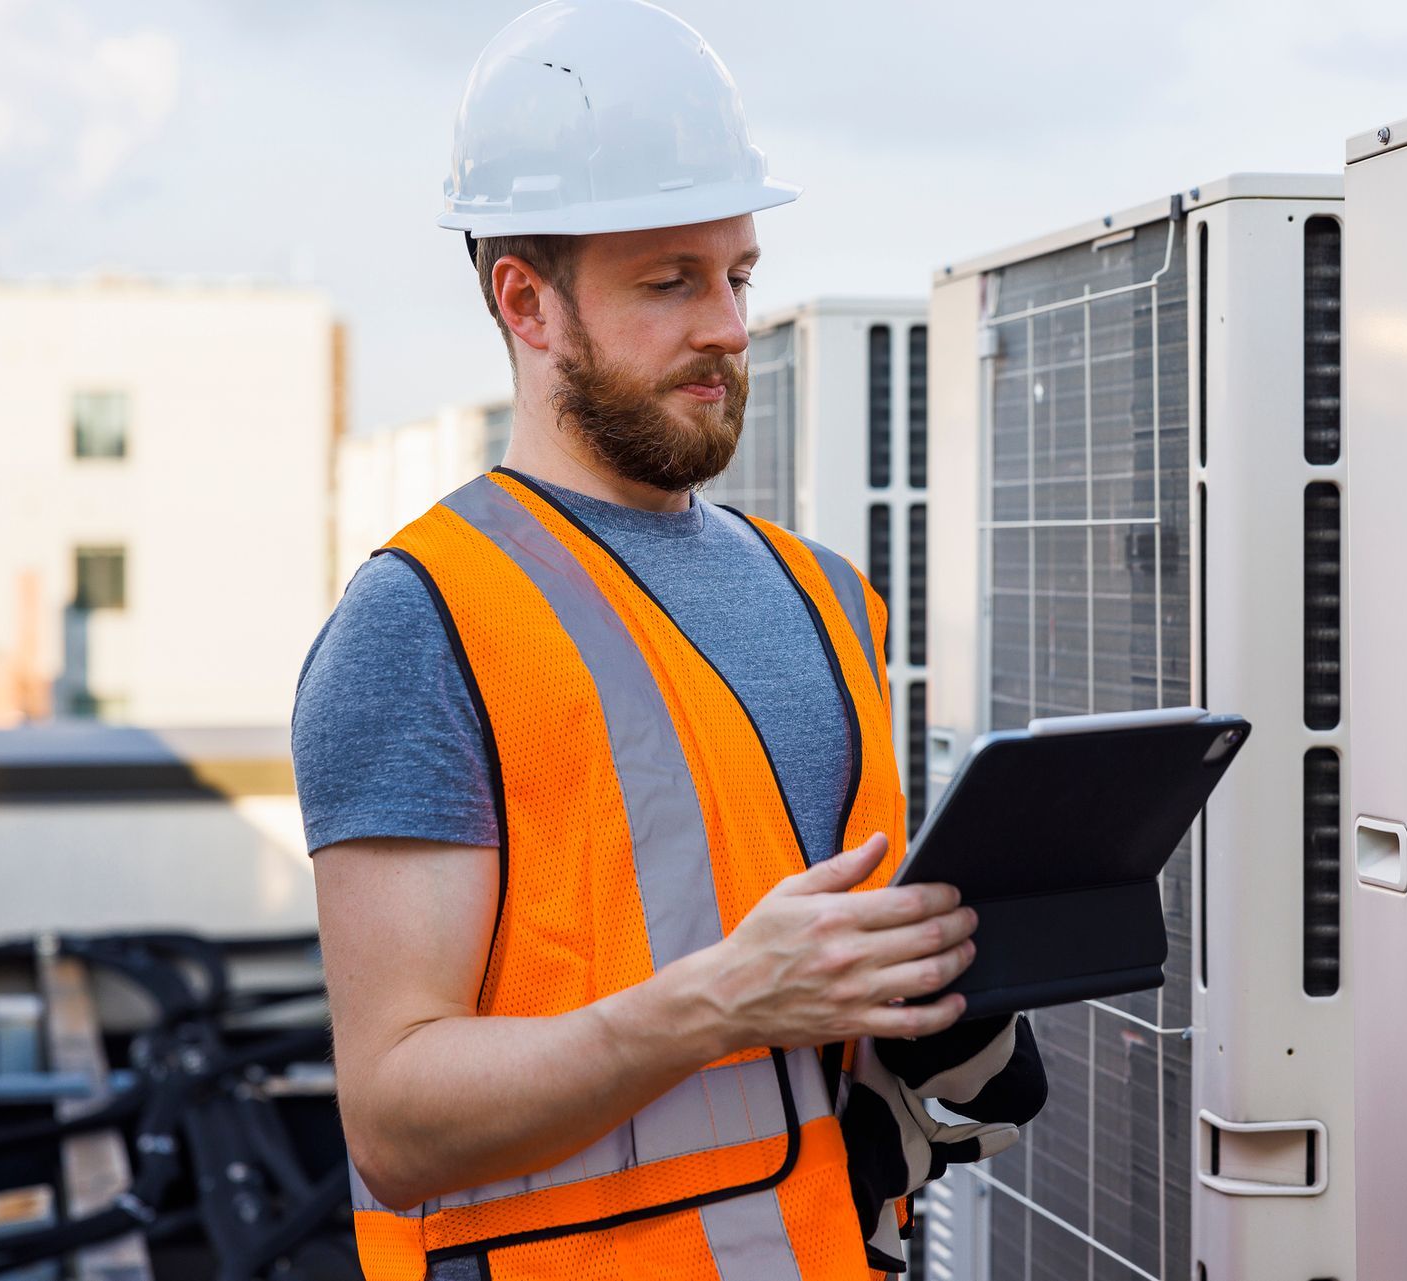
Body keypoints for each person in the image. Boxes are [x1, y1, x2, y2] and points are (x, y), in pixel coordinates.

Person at [291, 4, 1044, 1278]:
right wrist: (719, 1002)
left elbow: (827, 1026)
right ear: (526, 302)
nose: (730, 327)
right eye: (669, 282)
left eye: (737, 274)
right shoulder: (421, 621)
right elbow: (397, 1121)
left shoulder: (825, 595)